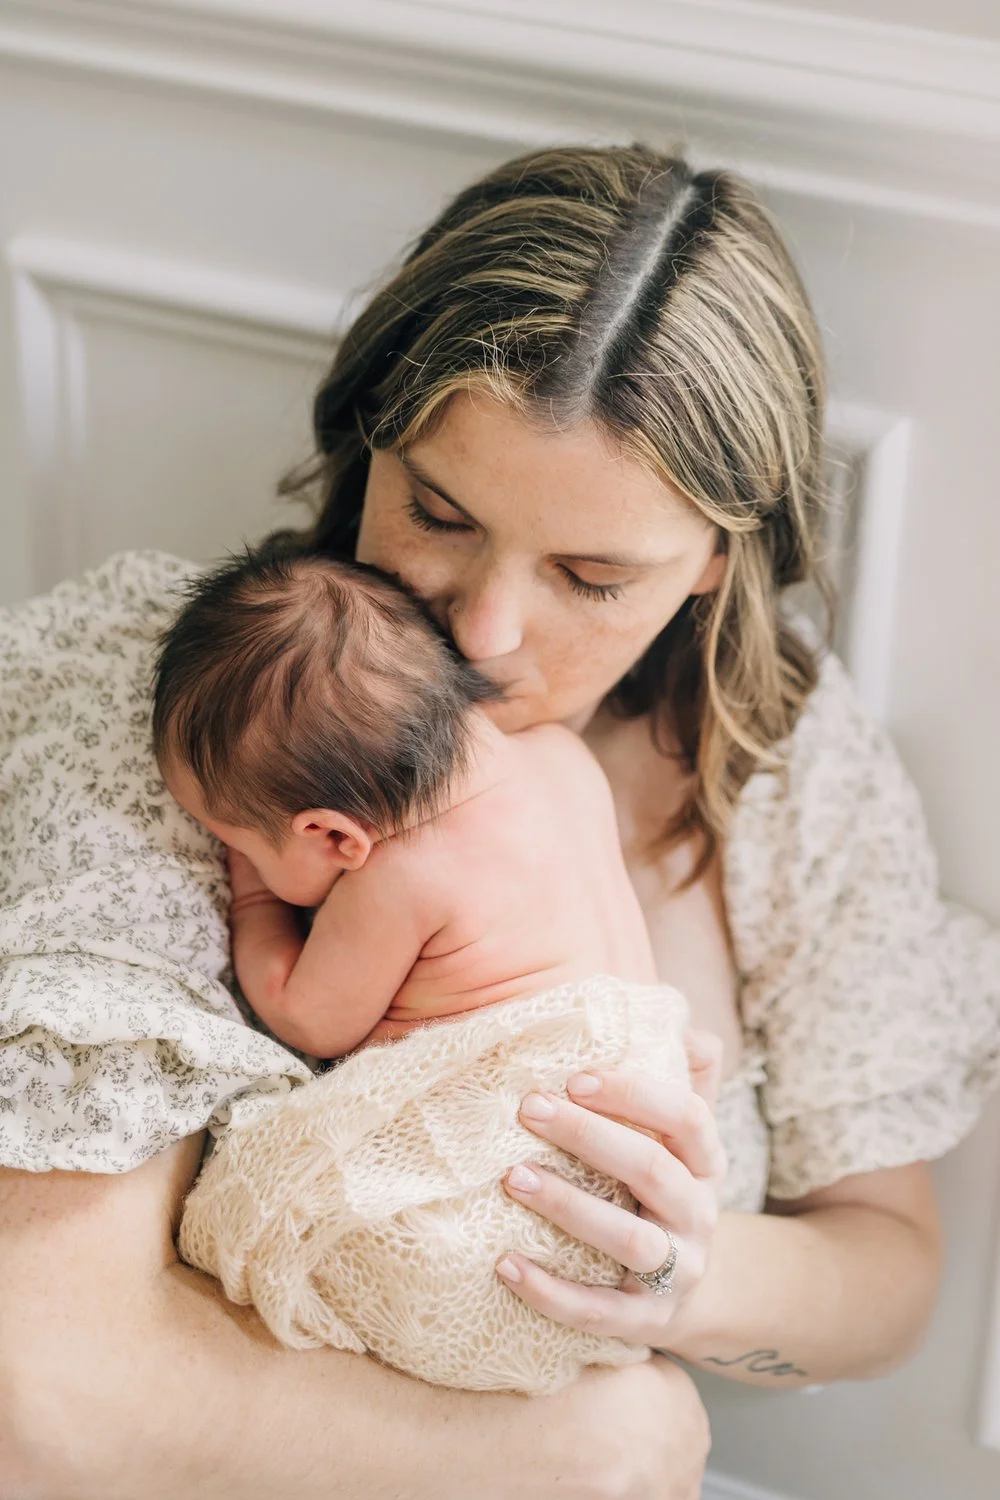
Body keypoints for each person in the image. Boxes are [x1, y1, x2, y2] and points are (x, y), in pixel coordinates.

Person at [1, 144, 996, 1500]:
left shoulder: (771, 762)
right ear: (370, 438)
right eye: (437, 512)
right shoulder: (200, 713)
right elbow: (41, 1391)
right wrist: (596, 1450)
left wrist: (689, 1274)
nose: (482, 632)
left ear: (714, 563)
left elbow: (883, 1272)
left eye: (591, 575)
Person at [152, 546, 660, 1057]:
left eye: (239, 844)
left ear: (333, 835)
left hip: (517, 1086)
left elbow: (305, 1019)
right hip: (647, 1051)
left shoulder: (400, 876)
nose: (234, 856)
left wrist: (254, 902)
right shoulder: (562, 753)